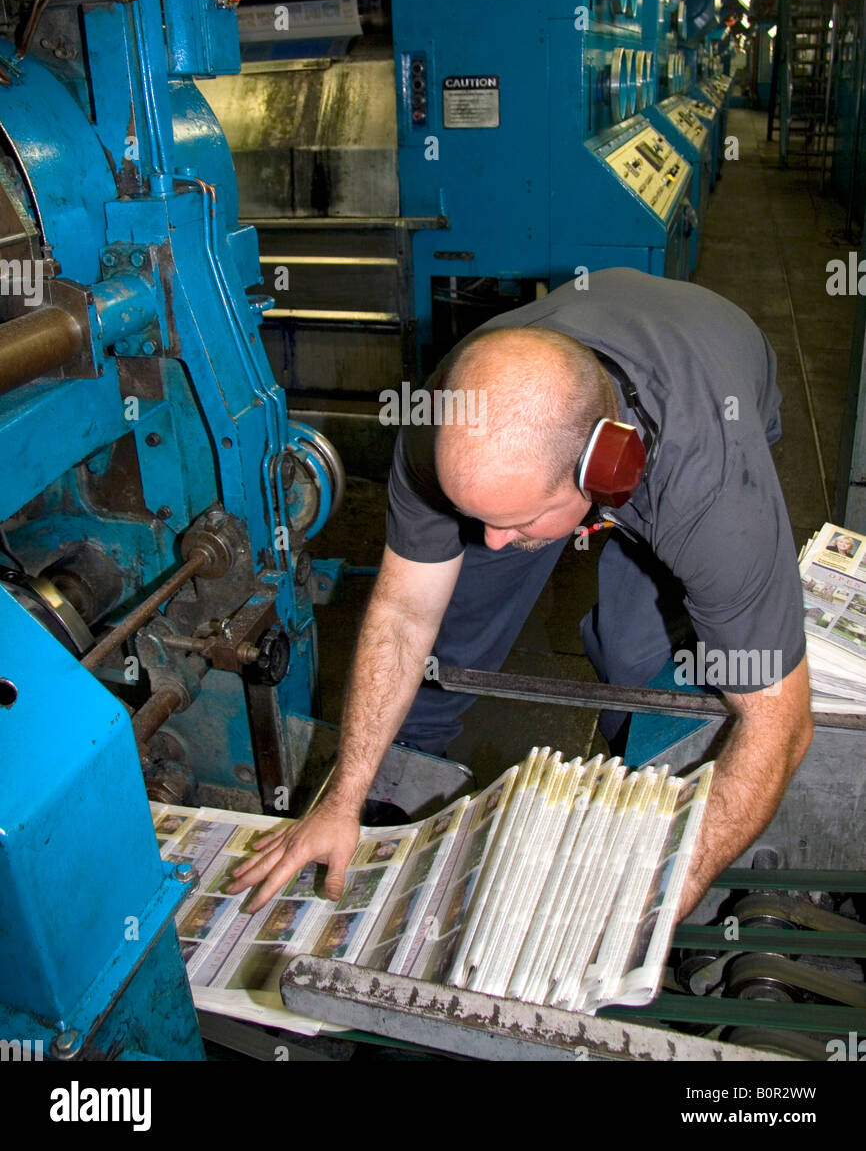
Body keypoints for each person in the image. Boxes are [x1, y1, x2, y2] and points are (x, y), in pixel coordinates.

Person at [228, 269, 813, 921]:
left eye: (519, 520)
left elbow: (782, 723)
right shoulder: (447, 431)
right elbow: (401, 616)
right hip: (567, 420)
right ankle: (393, 788)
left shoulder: (710, 498)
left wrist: (661, 895)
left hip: (711, 383)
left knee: (640, 657)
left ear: (606, 471)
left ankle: (645, 781)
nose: (493, 542)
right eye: (477, 515)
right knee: (451, 634)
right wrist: (339, 798)